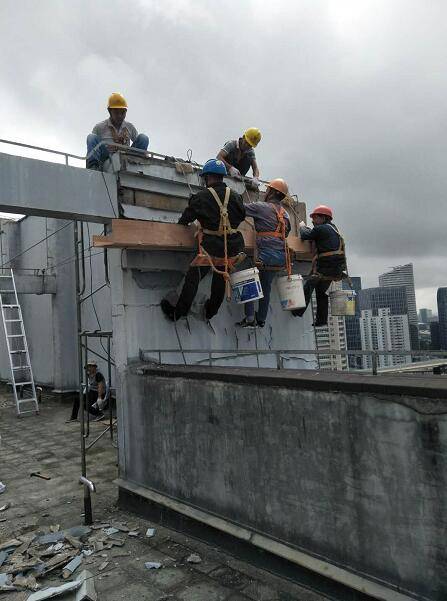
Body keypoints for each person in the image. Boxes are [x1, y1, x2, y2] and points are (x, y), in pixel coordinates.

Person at [161, 159, 245, 322]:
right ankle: (210, 311)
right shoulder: (236, 197)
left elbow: (186, 219)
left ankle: (178, 312)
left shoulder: (201, 197)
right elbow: (241, 215)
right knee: (221, 276)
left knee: (194, 277)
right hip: (233, 246)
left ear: (208, 178)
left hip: (211, 248)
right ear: (222, 177)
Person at [237, 179, 291, 329]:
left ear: (272, 192)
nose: (265, 192)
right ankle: (261, 320)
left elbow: (239, 209)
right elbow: (286, 232)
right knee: (265, 286)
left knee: (248, 280)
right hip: (279, 258)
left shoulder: (261, 207)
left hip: (264, 256)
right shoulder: (285, 213)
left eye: (267, 190)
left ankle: (249, 319)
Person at [292, 205, 346, 327]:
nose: (313, 220)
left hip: (325, 268)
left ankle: (297, 311)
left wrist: (302, 227)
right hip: (335, 269)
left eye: (315, 217)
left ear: (323, 218)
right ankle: (321, 321)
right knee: (321, 292)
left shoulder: (321, 229)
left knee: (309, 285)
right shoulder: (333, 229)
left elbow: (306, 235)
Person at [86, 93, 149, 170]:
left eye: (122, 113)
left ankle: (138, 165)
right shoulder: (99, 127)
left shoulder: (129, 127)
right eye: (116, 113)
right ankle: (93, 167)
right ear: (110, 111)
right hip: (107, 157)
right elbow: (92, 147)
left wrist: (146, 155)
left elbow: (140, 144)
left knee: (143, 138)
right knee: (91, 137)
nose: (120, 116)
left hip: (126, 157)